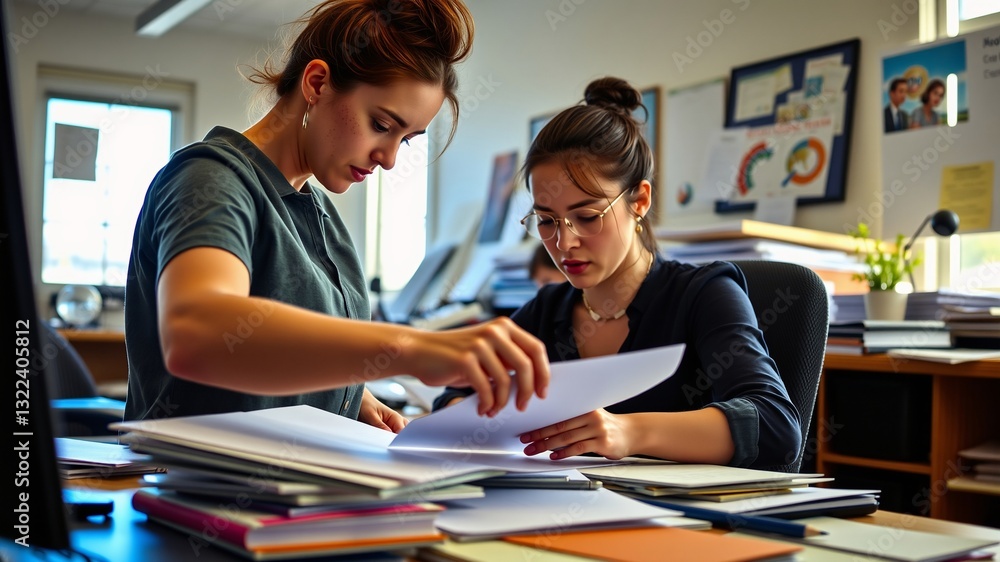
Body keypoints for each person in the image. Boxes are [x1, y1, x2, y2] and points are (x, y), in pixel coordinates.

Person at [124, 0, 548, 430]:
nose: (388, 160)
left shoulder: (320, 213)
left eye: (406, 140)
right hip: (205, 487)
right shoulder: (211, 179)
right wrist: (415, 348)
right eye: (382, 125)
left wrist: (348, 395)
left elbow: (285, 351)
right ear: (317, 83)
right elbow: (198, 336)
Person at [433, 77, 800, 469]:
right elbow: (456, 395)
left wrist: (629, 432)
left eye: (587, 216)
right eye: (546, 220)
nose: (564, 242)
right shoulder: (548, 310)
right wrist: (465, 412)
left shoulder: (704, 294)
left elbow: (776, 426)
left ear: (639, 200)